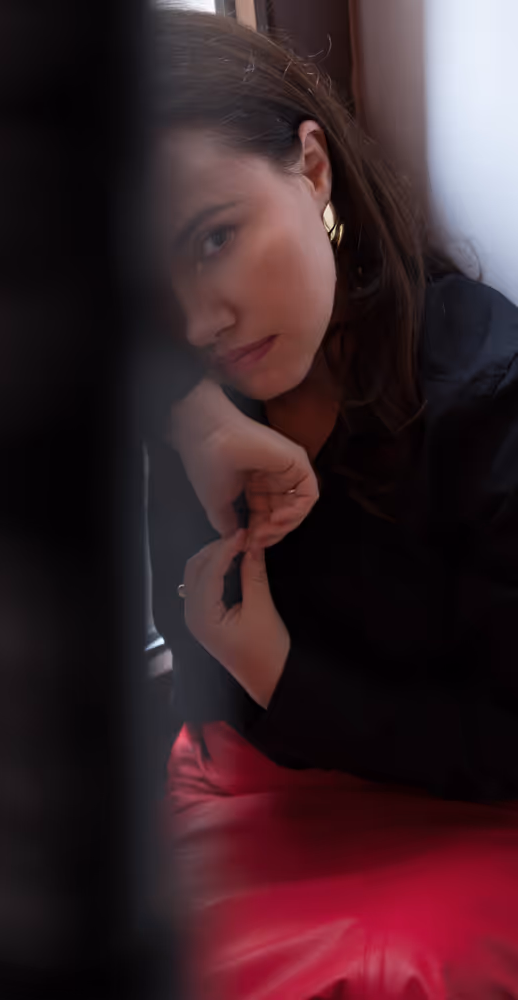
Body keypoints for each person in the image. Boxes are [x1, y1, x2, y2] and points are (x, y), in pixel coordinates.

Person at [145, 9, 518, 995]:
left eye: (214, 238)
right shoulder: (191, 391)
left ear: (312, 169)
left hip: (466, 810)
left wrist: (275, 670)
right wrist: (187, 418)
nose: (197, 319)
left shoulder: (486, 399)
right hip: (254, 783)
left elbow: (503, 741)